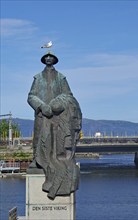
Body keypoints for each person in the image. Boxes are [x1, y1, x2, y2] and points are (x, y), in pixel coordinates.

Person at [27, 52, 82, 199]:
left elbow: (69, 95)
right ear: (44, 60)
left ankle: (57, 163)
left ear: (54, 60)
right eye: (46, 57)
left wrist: (59, 105)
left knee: (57, 141)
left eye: (51, 57)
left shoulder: (61, 77)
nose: (48, 59)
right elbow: (31, 96)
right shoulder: (37, 78)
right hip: (41, 114)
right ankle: (37, 160)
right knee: (39, 137)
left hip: (57, 116)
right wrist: (41, 106)